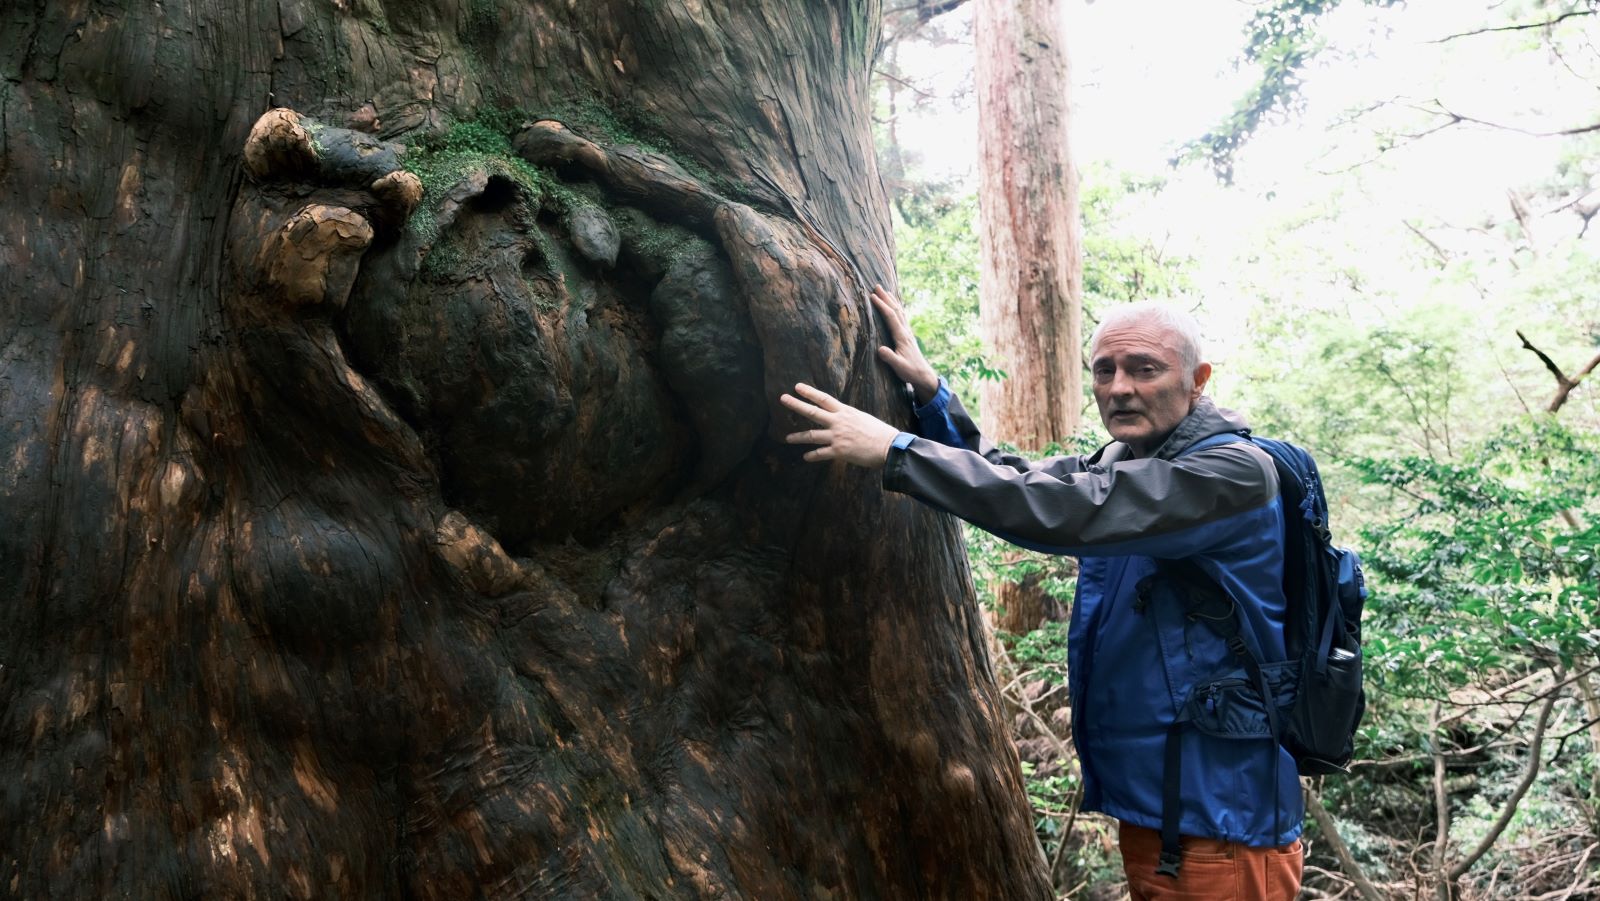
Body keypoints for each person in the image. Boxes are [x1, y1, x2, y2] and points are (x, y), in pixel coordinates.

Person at [780, 287, 1304, 900]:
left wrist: (897, 451)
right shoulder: (1131, 462)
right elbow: (1020, 476)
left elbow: (1065, 510)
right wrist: (931, 399)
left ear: (1198, 380)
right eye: (1104, 370)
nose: (1119, 388)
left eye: (1144, 369)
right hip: (1168, 816)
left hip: (1222, 825)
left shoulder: (1231, 474)